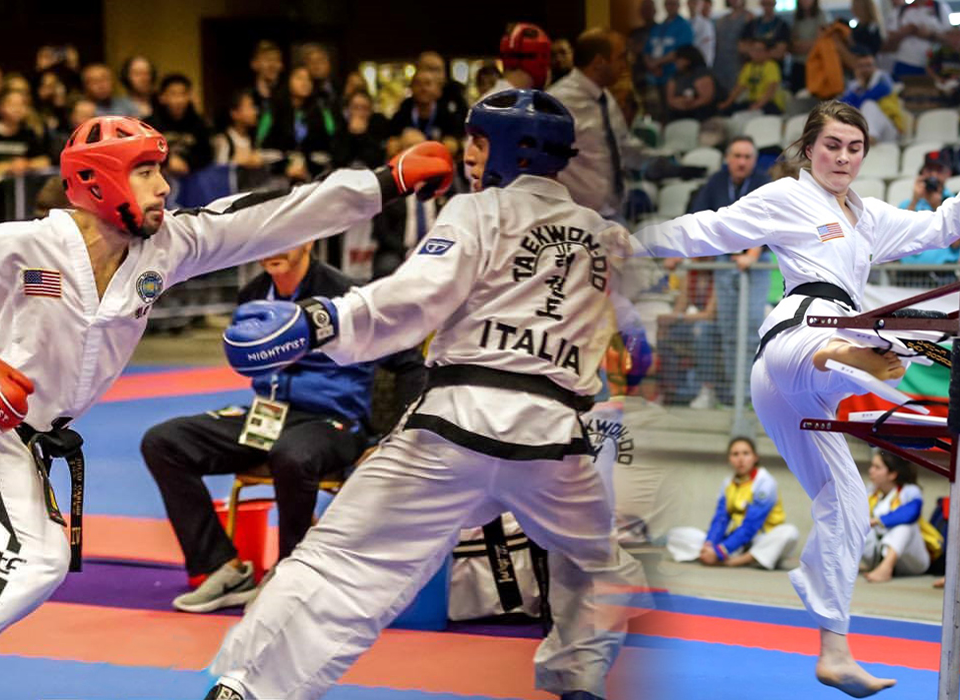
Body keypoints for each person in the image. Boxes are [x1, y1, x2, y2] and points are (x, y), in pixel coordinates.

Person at [0, 117, 454, 700]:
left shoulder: (169, 248)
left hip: (30, 436)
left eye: (162, 168)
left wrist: (383, 181)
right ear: (97, 182)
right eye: (148, 170)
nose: (165, 185)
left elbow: (274, 214)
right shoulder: (22, 244)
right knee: (32, 556)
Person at [203, 88, 645, 700]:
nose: (468, 154)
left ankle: (250, 689)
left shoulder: (478, 211)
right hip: (556, 445)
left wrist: (319, 323)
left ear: (507, 152)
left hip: (455, 427)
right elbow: (638, 343)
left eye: (477, 142)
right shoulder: (609, 239)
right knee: (597, 562)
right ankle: (579, 682)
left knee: (343, 563)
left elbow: (415, 296)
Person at [633, 100, 960, 697]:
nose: (843, 158)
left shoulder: (869, 215)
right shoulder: (787, 197)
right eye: (832, 145)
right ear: (809, 150)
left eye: (854, 148)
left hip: (812, 383)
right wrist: (626, 242)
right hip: (796, 335)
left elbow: (941, 227)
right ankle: (856, 356)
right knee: (841, 345)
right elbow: (707, 228)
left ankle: (834, 651)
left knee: (849, 502)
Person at [141, 242, 424, 613]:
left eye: (287, 239)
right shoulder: (253, 293)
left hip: (332, 422)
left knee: (291, 454)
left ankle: (292, 574)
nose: (272, 249)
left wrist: (394, 438)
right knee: (163, 442)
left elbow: (409, 363)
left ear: (308, 240)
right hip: (267, 417)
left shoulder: (347, 297)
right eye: (267, 239)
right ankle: (222, 567)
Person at [689, 137, 773, 408]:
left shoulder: (763, 182)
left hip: (756, 266)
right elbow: (699, 217)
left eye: (747, 157)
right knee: (728, 333)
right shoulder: (716, 182)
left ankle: (752, 396)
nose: (741, 162)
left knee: (750, 329)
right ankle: (735, 396)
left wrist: (752, 253)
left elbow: (770, 223)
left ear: (753, 160)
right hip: (726, 264)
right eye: (737, 156)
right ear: (728, 158)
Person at [551, 28, 645, 220]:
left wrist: (659, 162)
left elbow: (622, 145)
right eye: (620, 57)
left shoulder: (605, 97)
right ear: (599, 62)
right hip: (576, 216)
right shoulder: (557, 102)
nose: (625, 65)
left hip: (614, 211)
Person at [667, 437, 800, 569]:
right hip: (737, 542)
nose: (740, 459)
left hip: (761, 541)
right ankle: (713, 555)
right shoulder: (727, 484)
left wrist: (720, 552)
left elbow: (750, 526)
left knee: (790, 533)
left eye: (746, 453)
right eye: (735, 454)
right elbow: (721, 519)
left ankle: (733, 561)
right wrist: (710, 545)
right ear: (729, 459)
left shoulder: (765, 483)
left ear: (755, 457)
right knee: (676, 535)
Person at [860, 451, 939, 583]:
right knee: (849, 525)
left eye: (877, 467)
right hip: (876, 554)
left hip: (911, 560)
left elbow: (910, 513)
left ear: (892, 474)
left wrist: (877, 521)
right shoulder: (870, 492)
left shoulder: (910, 491)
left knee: (906, 526)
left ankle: (886, 568)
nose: (870, 471)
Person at [261, 66, 339, 182]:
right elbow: (262, 147)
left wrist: (307, 167)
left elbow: (333, 144)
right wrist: (286, 167)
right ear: (288, 81)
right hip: (278, 175)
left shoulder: (322, 110)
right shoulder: (273, 111)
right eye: (299, 78)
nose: (305, 83)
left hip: (314, 175)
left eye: (308, 80)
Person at [0, 91, 51, 181]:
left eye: (22, 105)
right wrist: (8, 167)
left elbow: (44, 161)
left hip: (22, 189)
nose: (18, 109)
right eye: (12, 105)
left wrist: (27, 164)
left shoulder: (28, 134)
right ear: (0, 108)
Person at [146, 73, 213, 175]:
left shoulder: (199, 123)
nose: (179, 100)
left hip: (192, 179)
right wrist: (168, 161)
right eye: (173, 94)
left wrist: (187, 163)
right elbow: (146, 153)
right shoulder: (149, 124)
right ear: (162, 97)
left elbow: (207, 155)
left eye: (183, 94)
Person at [840, 50, 900, 144]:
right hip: (861, 130)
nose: (865, 69)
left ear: (875, 67)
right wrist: (859, 86)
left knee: (868, 104)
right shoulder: (855, 84)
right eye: (861, 66)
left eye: (868, 65)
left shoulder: (883, 79)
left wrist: (860, 90)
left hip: (888, 128)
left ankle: (869, 138)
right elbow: (843, 108)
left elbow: (871, 96)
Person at [720, 36, 785, 115]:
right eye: (753, 50)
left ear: (767, 52)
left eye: (759, 50)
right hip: (752, 101)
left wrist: (758, 105)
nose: (755, 53)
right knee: (728, 111)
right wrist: (726, 104)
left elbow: (771, 90)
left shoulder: (771, 66)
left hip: (769, 103)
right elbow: (739, 88)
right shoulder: (748, 67)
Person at [646, 0, 697, 88]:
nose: (671, 7)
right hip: (654, 76)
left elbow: (681, 51)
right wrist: (651, 65)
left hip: (674, 77)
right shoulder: (657, 28)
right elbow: (646, 50)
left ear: (678, 6)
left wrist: (656, 63)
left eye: (673, 4)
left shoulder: (684, 27)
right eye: (668, 4)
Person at [887, 0, 944, 78]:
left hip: (934, 63)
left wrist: (930, 34)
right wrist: (905, 32)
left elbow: (950, 36)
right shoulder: (900, 11)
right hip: (906, 61)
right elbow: (889, 37)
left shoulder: (940, 8)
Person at [663, 45, 719, 123]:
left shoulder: (701, 74)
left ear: (687, 60)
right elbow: (670, 98)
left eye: (679, 59)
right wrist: (680, 103)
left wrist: (690, 105)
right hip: (679, 111)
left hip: (700, 112)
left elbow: (706, 98)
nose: (676, 62)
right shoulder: (675, 76)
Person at [248, 41, 284, 112]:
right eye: (267, 60)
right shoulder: (247, 97)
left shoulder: (286, 97)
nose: (272, 65)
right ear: (254, 64)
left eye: (276, 60)